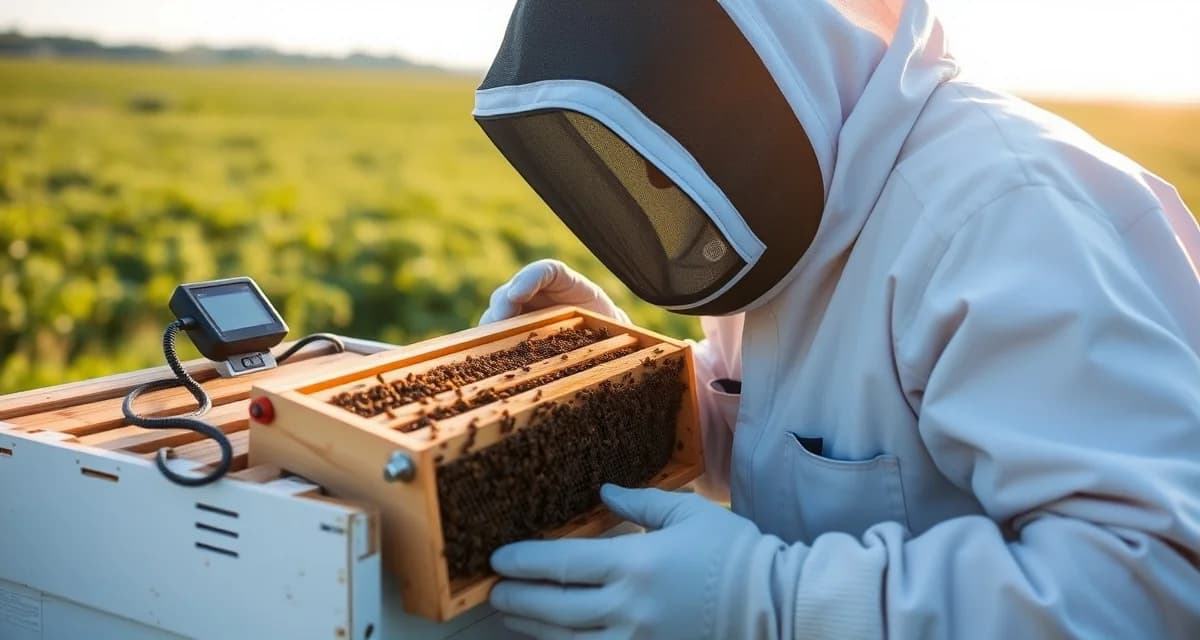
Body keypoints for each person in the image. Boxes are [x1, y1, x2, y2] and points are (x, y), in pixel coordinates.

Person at [473, 1, 1200, 638]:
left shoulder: (1001, 217)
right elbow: (801, 438)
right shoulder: (805, 218)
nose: (658, 178)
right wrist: (621, 386)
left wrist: (770, 608)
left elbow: (1150, 589)